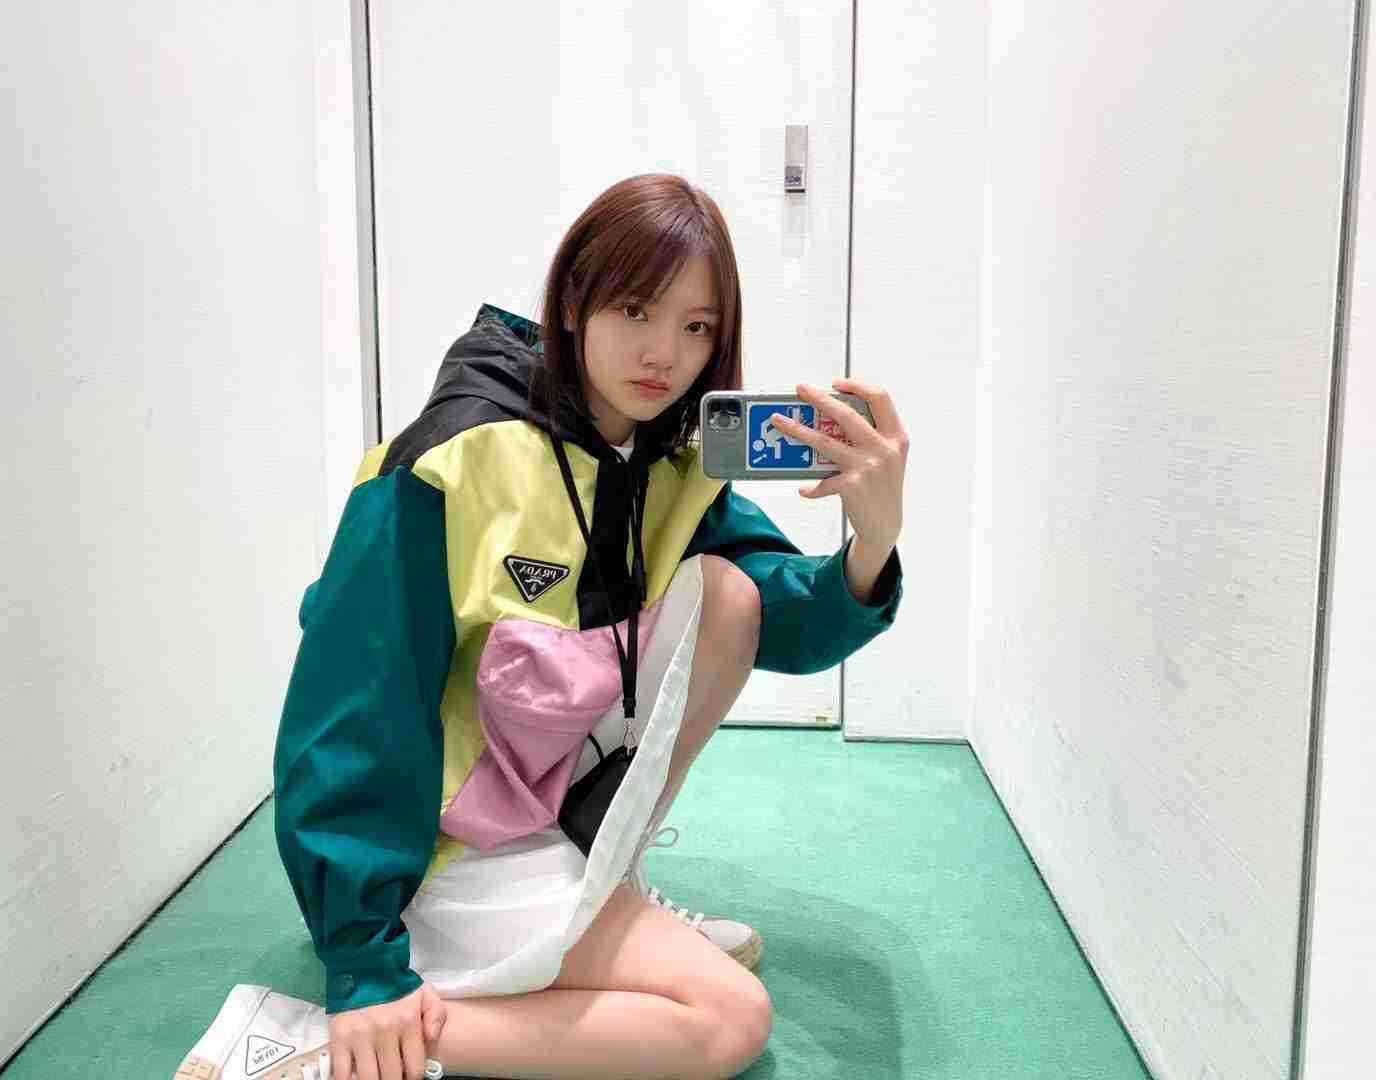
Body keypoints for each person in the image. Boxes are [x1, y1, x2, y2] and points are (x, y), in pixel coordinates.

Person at [185, 174, 907, 1080]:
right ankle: (325, 1040)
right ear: (573, 302)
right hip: (435, 845)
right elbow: (356, 705)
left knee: (729, 595)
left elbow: (781, 624)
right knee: (728, 1019)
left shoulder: (669, 457)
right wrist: (362, 962)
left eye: (697, 327)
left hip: (544, 813)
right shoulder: (452, 460)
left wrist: (874, 541)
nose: (664, 354)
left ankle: (604, 888)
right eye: (636, 310)